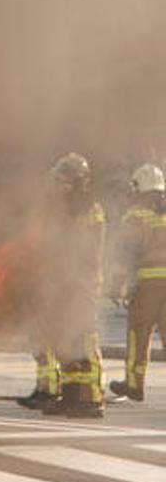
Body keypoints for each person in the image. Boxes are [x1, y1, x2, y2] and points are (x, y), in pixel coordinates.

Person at [36, 153, 106, 417]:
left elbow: (87, 248)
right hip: (60, 284)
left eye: (64, 178)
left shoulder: (90, 209)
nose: (60, 184)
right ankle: (71, 396)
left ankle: (92, 400)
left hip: (81, 285)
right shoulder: (59, 209)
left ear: (78, 180)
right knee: (63, 341)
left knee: (84, 341)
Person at [107, 163, 166, 402]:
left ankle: (134, 384)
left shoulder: (135, 216)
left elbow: (126, 254)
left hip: (146, 286)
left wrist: (116, 285)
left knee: (138, 336)